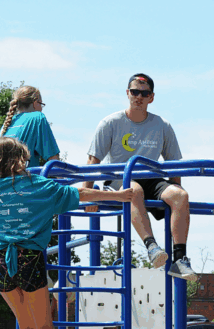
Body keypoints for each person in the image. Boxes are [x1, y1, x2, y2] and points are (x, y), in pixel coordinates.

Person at [0, 137, 134, 329]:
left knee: (25, 328)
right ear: (20, 161)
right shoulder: (39, 186)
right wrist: (120, 196)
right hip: (28, 258)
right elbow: (81, 195)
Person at [83, 73, 197, 281]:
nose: (139, 97)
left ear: (151, 97)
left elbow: (174, 166)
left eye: (144, 94)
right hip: (120, 177)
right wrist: (89, 195)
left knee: (181, 195)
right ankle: (151, 246)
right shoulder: (110, 123)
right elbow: (93, 161)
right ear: (127, 93)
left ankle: (180, 259)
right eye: (135, 92)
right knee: (134, 190)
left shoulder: (162, 125)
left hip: (151, 179)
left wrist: (173, 202)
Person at [0, 86, 60, 168]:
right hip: (23, 178)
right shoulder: (37, 117)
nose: (42, 108)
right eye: (41, 104)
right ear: (35, 103)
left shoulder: (7, 123)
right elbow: (53, 158)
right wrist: (61, 179)